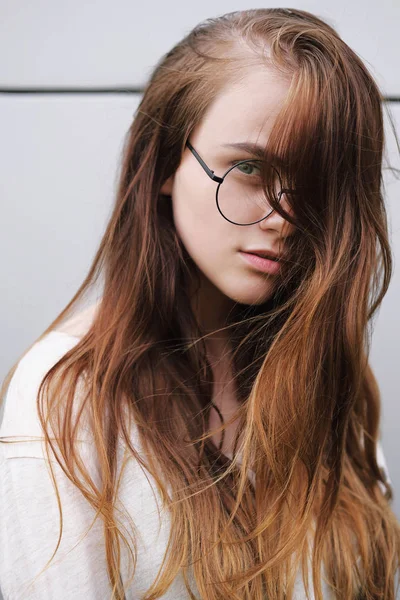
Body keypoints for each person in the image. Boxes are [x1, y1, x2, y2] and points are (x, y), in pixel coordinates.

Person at [0, 7, 399, 600]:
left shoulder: (327, 375)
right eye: (248, 167)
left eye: (317, 184)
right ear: (165, 161)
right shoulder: (71, 396)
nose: (284, 220)